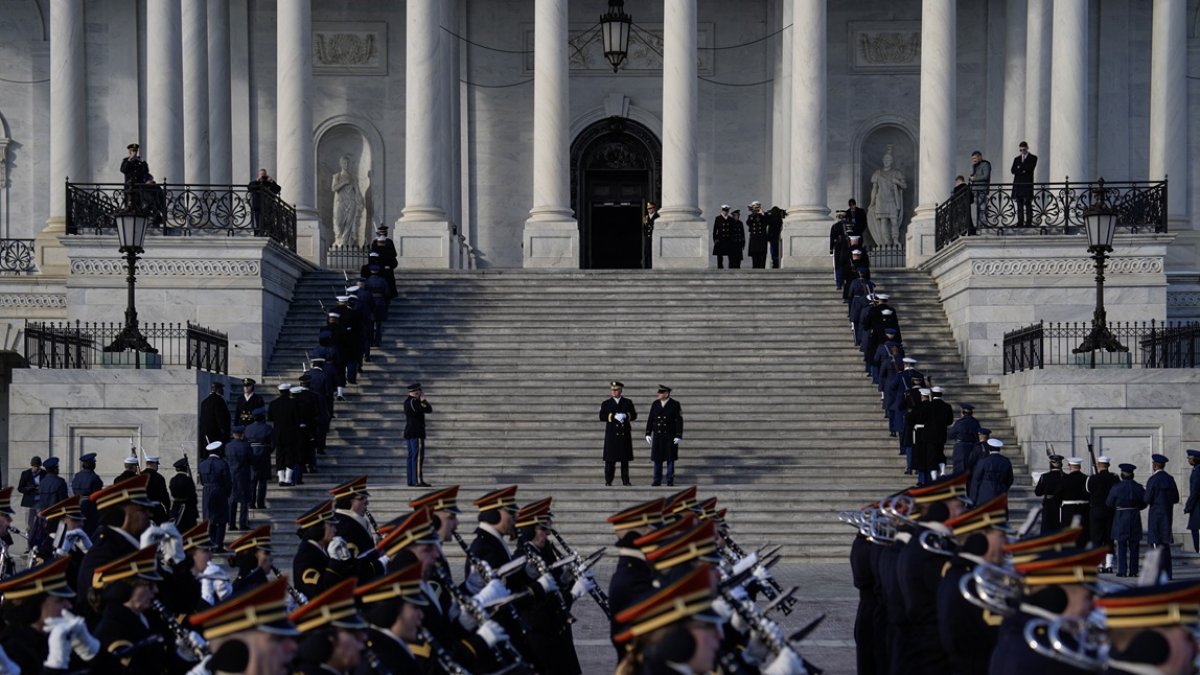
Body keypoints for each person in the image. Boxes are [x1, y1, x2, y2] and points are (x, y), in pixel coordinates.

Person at [1107, 463, 1147, 577]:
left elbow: (1109, 503)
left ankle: (1122, 570)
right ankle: (1134, 571)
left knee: (1121, 545)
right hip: (1134, 515)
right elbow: (1144, 502)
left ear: (1122, 474)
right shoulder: (1139, 487)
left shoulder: (1116, 487)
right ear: (1132, 474)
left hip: (1121, 516)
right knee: (1134, 546)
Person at [1145, 453, 1180, 580]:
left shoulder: (1153, 480)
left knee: (1155, 544)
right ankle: (1167, 573)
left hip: (1155, 515)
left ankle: (1157, 573)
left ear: (1155, 465)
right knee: (1165, 545)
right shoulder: (1170, 479)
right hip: (1167, 514)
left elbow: (1147, 498)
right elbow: (1176, 498)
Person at [600, 381, 638, 486]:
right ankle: (608, 480)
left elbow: (634, 415)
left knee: (624, 460)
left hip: (624, 434)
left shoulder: (627, 402)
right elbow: (602, 416)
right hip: (612, 435)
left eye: (616, 390)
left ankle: (625, 480)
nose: (614, 392)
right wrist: (612, 416)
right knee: (610, 461)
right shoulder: (606, 403)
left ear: (621, 390)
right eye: (612, 390)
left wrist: (626, 416)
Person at [645, 385, 684, 487]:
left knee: (670, 459)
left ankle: (670, 480)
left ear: (666, 394)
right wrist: (648, 433)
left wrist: (678, 435)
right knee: (657, 459)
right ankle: (657, 480)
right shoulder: (655, 403)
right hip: (658, 434)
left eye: (661, 393)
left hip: (669, 435)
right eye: (659, 393)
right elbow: (651, 419)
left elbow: (679, 420)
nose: (658, 394)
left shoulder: (674, 404)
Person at [1087, 455, 1120, 573]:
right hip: (1111, 511)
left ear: (1098, 465)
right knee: (1109, 538)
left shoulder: (1092, 478)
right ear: (1108, 465)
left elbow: (1089, 490)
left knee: (1097, 538)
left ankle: (1099, 564)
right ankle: (1109, 565)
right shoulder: (1115, 478)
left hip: (1096, 511)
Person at [869, 145, 907, 246]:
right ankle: (886, 241)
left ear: (892, 161)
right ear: (882, 160)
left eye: (889, 159)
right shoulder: (877, 173)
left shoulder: (896, 173)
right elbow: (874, 189)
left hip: (892, 199)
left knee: (894, 221)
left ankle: (895, 240)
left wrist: (897, 182)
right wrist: (872, 202)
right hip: (880, 199)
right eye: (885, 159)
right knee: (884, 221)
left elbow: (904, 186)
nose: (886, 161)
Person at [198, 440, 232, 550]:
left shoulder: (202, 464)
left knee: (210, 519)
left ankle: (212, 543)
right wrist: (227, 493)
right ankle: (218, 545)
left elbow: (202, 481)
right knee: (221, 520)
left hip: (207, 491)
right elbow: (227, 481)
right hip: (219, 490)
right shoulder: (222, 463)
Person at [331, 154, 366, 248]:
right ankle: (338, 241)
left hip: (351, 202)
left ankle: (345, 244)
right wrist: (344, 183)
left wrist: (361, 200)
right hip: (340, 202)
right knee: (338, 223)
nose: (345, 164)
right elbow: (334, 188)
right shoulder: (337, 176)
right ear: (340, 164)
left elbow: (357, 191)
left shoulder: (353, 178)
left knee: (349, 224)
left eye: (347, 163)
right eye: (343, 162)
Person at [404, 383, 433, 488]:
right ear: (416, 392)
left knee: (412, 457)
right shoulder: (413, 402)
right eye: (420, 391)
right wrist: (424, 400)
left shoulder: (408, 401)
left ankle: (411, 480)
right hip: (416, 432)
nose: (421, 393)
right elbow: (428, 409)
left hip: (410, 432)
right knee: (417, 457)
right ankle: (417, 480)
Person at [244, 407, 274, 510]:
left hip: (251, 454)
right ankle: (260, 503)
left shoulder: (248, 428)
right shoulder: (268, 428)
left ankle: (251, 502)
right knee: (262, 481)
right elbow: (273, 443)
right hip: (264, 454)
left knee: (252, 481)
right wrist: (268, 450)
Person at [968, 438, 1013, 505]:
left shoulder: (983, 461)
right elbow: (1010, 479)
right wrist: (1004, 488)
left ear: (989, 448)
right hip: (1000, 492)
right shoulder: (1006, 461)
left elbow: (976, 480)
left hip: (985, 493)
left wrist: (973, 499)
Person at [225, 425, 253, 531]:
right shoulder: (246, 446)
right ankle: (242, 523)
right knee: (244, 501)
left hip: (231, 475)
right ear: (242, 434)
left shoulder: (228, 446)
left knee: (232, 501)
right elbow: (251, 460)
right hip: (243, 475)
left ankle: (231, 524)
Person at [1057, 457, 1091, 538]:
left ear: (1069, 466)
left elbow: (1058, 495)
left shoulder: (1064, 479)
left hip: (1068, 509)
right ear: (1080, 466)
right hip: (1084, 508)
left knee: (1067, 532)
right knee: (1082, 532)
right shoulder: (1087, 478)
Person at [199, 381, 231, 464]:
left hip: (205, 435)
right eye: (221, 389)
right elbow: (221, 419)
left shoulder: (204, 402)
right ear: (217, 390)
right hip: (216, 435)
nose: (223, 391)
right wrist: (225, 433)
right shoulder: (219, 401)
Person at [1034, 454, 1066, 534]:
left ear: (1050, 464)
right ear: (1061, 465)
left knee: (1047, 526)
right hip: (1061, 504)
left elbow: (1038, 492)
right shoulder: (1065, 477)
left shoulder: (1044, 477)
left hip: (1048, 504)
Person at [168, 456, 199, 532]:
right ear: (185, 468)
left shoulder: (173, 480)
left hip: (176, 506)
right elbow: (192, 495)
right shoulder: (188, 480)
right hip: (188, 508)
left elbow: (172, 493)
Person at [1010, 141, 1037, 227]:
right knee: (1019, 204)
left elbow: (1029, 168)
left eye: (1024, 149)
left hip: (1027, 184)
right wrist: (1022, 170)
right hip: (1018, 184)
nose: (1022, 151)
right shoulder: (1017, 159)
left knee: (1028, 203)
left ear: (1027, 148)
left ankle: (1029, 222)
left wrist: (1020, 168)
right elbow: (1013, 170)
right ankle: (1020, 222)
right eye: (1021, 150)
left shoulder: (1033, 158)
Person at [247, 168, 281, 235]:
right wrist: (257, 180)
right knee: (258, 220)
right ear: (258, 175)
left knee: (269, 220)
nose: (263, 177)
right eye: (261, 175)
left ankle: (269, 233)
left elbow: (278, 189)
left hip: (268, 205)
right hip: (258, 205)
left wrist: (272, 181)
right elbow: (250, 188)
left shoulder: (269, 183)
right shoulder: (254, 183)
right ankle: (258, 233)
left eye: (264, 175)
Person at [120, 142, 151, 212]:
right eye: (133, 151)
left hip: (138, 186)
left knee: (139, 204)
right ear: (130, 152)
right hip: (129, 187)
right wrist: (129, 161)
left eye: (135, 151)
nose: (134, 153)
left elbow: (145, 171)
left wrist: (143, 163)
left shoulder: (139, 161)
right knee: (128, 204)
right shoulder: (126, 160)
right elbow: (123, 170)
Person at [141, 453, 171, 523]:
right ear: (154, 464)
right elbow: (164, 494)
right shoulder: (159, 477)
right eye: (157, 464)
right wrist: (168, 507)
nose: (157, 466)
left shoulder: (139, 476)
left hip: (143, 509)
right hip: (156, 509)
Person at [17, 456, 42, 539]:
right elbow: (20, 488)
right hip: (29, 503)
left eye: (38, 466)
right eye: (35, 466)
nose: (36, 468)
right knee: (29, 525)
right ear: (32, 465)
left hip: (40, 503)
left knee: (40, 524)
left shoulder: (44, 474)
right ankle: (29, 546)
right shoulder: (25, 474)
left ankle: (38, 545)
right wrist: (29, 488)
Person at [968, 150, 991, 228]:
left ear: (980, 157)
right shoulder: (974, 166)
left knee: (982, 207)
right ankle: (979, 224)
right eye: (972, 159)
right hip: (975, 190)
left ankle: (983, 224)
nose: (974, 160)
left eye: (975, 158)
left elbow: (986, 176)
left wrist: (975, 178)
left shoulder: (986, 164)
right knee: (978, 208)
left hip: (982, 189)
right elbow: (972, 176)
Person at [1184, 449, 1200, 553]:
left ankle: (1198, 551)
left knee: (1196, 529)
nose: (1188, 460)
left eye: (1190, 458)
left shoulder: (1197, 471)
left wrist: (1188, 506)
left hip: (1197, 506)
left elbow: (1195, 491)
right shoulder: (1196, 469)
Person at [712, 205, 737, 269]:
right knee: (719, 255)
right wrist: (715, 239)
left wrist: (733, 239)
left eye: (727, 211)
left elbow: (733, 230)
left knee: (731, 255)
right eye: (724, 210)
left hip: (729, 239)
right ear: (722, 210)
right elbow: (715, 230)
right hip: (720, 239)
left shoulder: (731, 219)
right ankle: (720, 267)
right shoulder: (718, 218)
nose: (725, 212)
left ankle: (731, 267)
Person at [746, 201, 769, 269]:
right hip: (754, 239)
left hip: (762, 239)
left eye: (757, 207)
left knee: (762, 257)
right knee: (755, 257)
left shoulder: (764, 215)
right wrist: (753, 213)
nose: (756, 209)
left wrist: (762, 213)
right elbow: (748, 223)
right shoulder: (751, 216)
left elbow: (767, 221)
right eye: (754, 207)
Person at [642, 201, 659, 269]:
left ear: (654, 208)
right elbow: (644, 228)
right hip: (648, 238)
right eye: (648, 208)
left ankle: (653, 267)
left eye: (651, 208)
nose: (649, 209)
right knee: (647, 253)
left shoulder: (658, 217)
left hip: (654, 238)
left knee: (653, 253)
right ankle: (646, 268)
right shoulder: (645, 217)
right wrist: (646, 236)